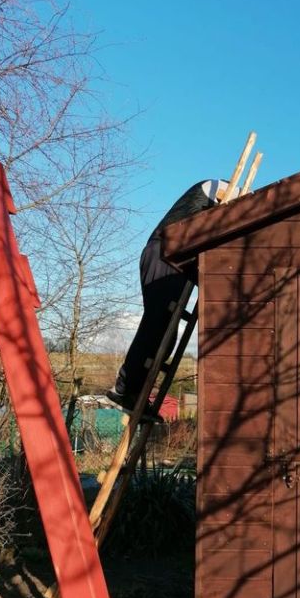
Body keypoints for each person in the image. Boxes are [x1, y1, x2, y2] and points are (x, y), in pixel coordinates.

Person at [106, 178, 233, 421]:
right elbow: (227, 196)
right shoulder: (211, 186)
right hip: (162, 254)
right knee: (156, 323)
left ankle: (136, 395)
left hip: (179, 263)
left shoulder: (209, 214)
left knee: (168, 335)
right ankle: (123, 388)